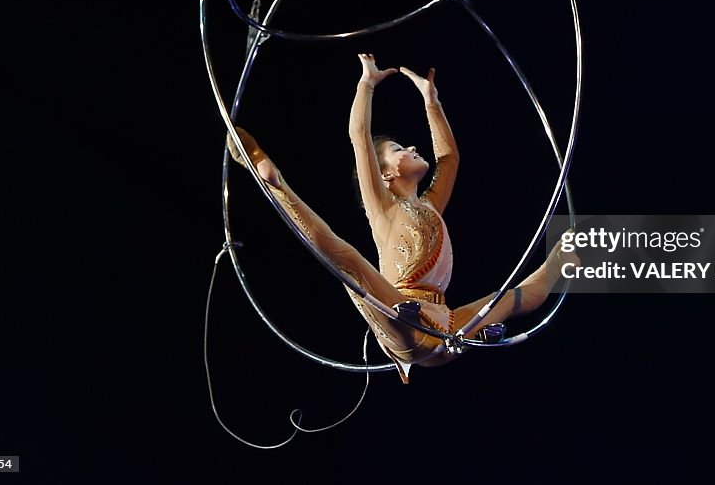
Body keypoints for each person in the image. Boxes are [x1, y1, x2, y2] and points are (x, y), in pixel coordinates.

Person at [227, 53, 576, 382]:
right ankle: (275, 184)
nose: (410, 148)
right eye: (398, 150)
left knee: (508, 298)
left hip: (447, 324)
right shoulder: (384, 206)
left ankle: (560, 261)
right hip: (399, 318)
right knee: (350, 261)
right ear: (386, 175)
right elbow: (359, 138)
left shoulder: (430, 206)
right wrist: (367, 85)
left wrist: (431, 101)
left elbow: (449, 158)